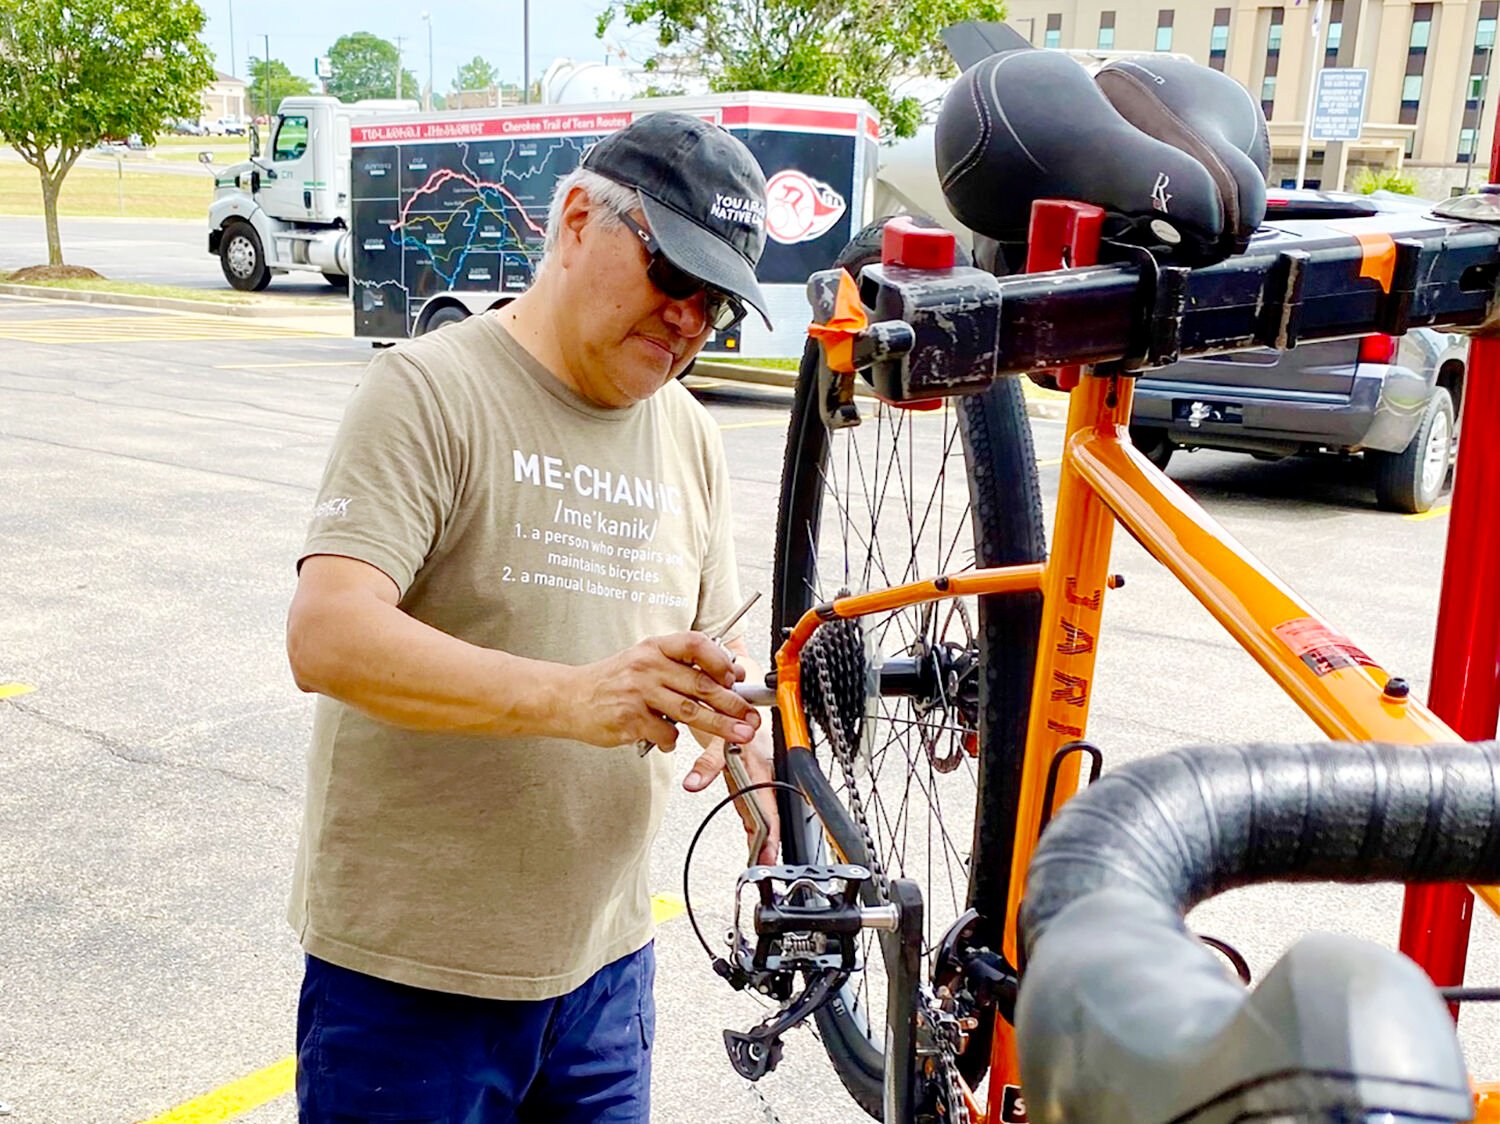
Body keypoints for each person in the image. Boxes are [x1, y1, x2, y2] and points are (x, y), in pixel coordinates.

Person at [284, 112, 780, 1123]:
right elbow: (326, 632)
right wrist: (576, 695)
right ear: (573, 221)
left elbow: (710, 662)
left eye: (716, 299)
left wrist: (752, 770)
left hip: (604, 971)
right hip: (412, 982)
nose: (690, 317)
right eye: (671, 272)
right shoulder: (429, 388)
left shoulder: (689, 435)